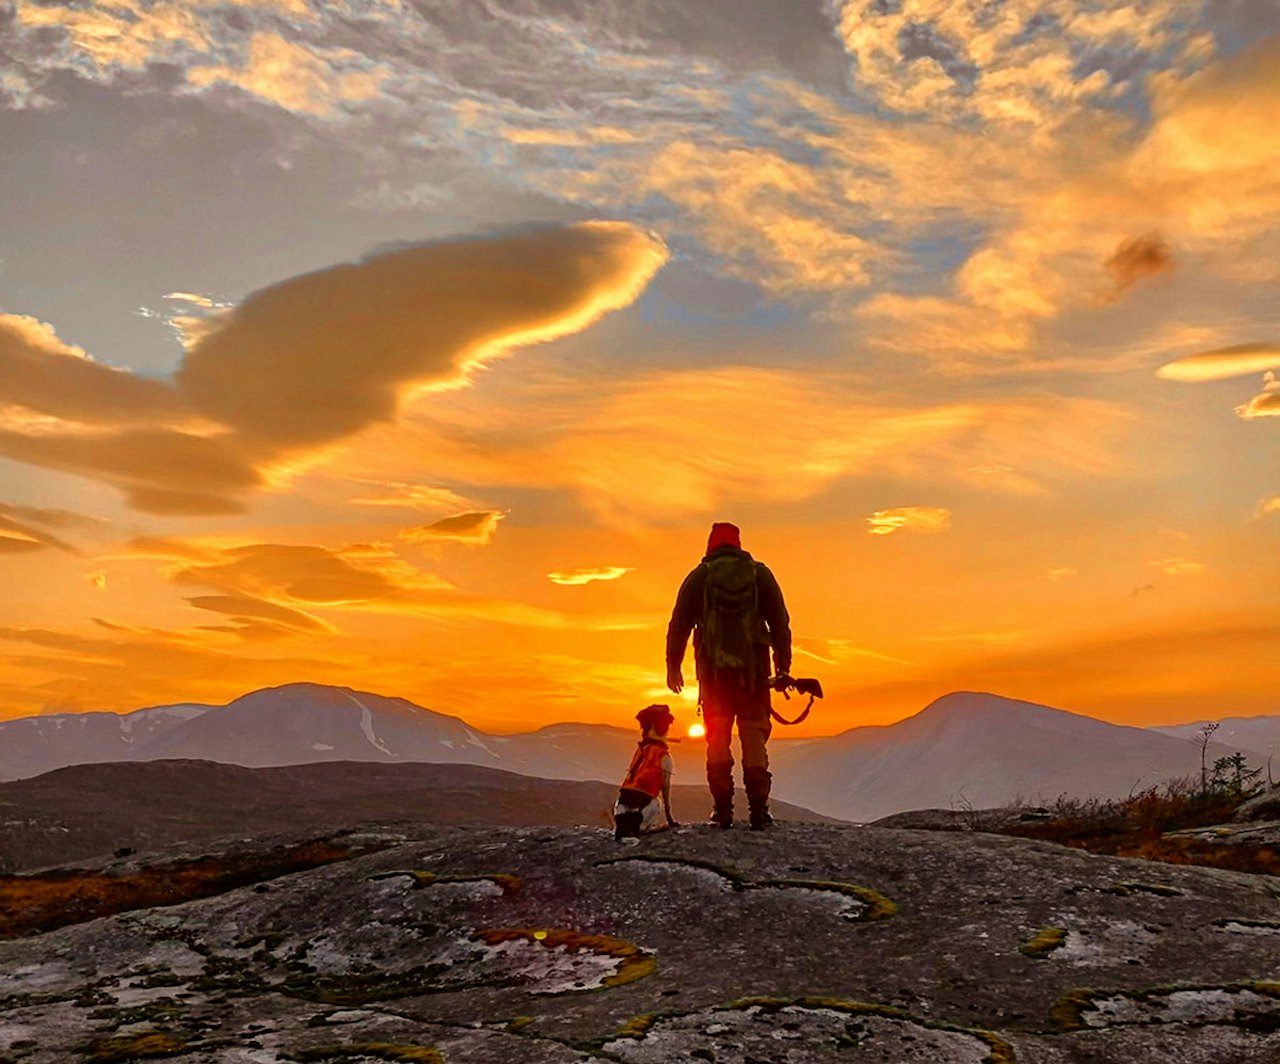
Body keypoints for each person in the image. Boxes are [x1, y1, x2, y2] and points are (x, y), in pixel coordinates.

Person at [666, 522, 791, 830]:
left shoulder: (699, 578)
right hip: (754, 674)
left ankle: (722, 812)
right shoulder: (760, 575)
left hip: (714, 676)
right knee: (753, 737)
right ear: (738, 544)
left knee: (717, 740)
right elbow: (780, 623)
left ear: (711, 545)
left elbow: (679, 624)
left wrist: (673, 665)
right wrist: (783, 666)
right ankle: (759, 811)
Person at [613, 704, 679, 840]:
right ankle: (641, 829)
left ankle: (624, 830)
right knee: (656, 802)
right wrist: (670, 818)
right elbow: (665, 788)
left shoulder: (642, 751)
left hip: (620, 812)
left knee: (635, 803)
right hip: (639, 815)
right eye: (666, 726)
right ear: (655, 726)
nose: (667, 730)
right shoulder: (663, 756)